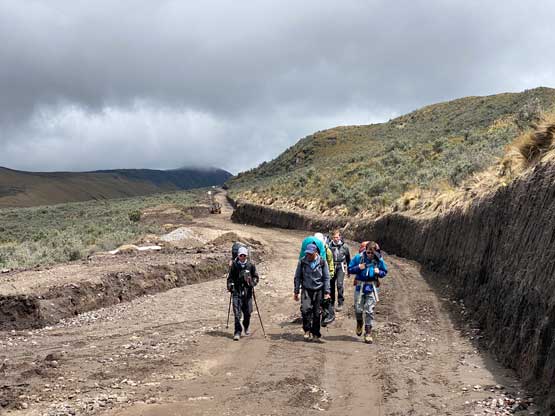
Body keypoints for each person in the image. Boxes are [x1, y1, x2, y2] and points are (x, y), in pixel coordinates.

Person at [348, 241, 387, 343]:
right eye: (368, 252)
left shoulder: (379, 259)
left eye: (372, 253)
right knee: (358, 308)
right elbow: (350, 269)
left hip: (372, 287)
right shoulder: (359, 258)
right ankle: (359, 322)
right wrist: (358, 268)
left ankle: (368, 332)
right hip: (360, 286)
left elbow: (384, 272)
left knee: (369, 310)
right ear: (365, 250)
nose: (370, 255)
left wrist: (379, 272)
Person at [294, 243, 331, 342]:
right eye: (307, 253)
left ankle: (316, 333)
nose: (308, 255)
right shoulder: (302, 261)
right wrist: (296, 291)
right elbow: (297, 276)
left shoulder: (322, 262)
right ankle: (307, 330)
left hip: (319, 290)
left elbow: (326, 277)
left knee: (317, 313)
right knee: (305, 310)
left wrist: (327, 292)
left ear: (315, 252)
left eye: (310, 254)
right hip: (306, 289)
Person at [227, 246, 259, 341]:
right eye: (241, 255)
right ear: (238, 256)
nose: (242, 257)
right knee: (237, 313)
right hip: (237, 292)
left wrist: (251, 282)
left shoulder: (251, 265)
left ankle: (246, 326)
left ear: (246, 256)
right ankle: (237, 332)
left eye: (244, 255)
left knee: (248, 313)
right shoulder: (234, 265)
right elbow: (230, 278)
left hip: (247, 293)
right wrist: (230, 286)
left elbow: (256, 277)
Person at [328, 229, 351, 312]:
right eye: (334, 237)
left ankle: (340, 302)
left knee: (339, 284)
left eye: (337, 237)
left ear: (340, 237)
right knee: (331, 285)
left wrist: (349, 270)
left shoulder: (345, 247)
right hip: (332, 266)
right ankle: (331, 302)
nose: (336, 239)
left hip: (341, 267)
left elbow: (348, 259)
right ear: (332, 237)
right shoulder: (329, 246)